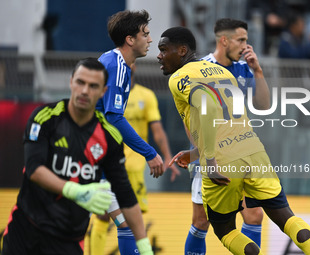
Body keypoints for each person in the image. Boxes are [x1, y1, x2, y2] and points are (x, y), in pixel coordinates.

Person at [157, 26, 310, 255]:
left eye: (163, 50)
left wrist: (209, 160)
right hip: (253, 151)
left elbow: (208, 109)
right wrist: (194, 154)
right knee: (286, 217)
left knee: (224, 230)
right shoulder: (222, 72)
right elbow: (229, 122)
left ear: (182, 50)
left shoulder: (179, 78)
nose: (159, 56)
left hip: (222, 161)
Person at [2, 58, 153, 255]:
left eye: (93, 86)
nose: (84, 91)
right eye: (80, 82)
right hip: (26, 232)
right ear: (71, 81)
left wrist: (144, 245)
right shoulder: (45, 118)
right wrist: (75, 191)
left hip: (68, 240)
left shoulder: (110, 136)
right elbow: (33, 169)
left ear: (103, 92)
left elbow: (124, 193)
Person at [178, 18, 270, 254]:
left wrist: (257, 70)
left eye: (246, 40)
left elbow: (263, 105)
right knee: (201, 222)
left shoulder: (243, 69)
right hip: (211, 157)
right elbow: (189, 117)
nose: (245, 46)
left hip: (241, 154)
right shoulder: (200, 69)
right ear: (224, 40)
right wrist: (203, 154)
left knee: (254, 214)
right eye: (241, 40)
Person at [89, 64, 180, 255]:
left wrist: (167, 155)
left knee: (132, 221)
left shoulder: (145, 96)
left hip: (135, 167)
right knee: (103, 215)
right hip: (109, 165)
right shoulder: (107, 94)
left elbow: (157, 131)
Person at [94, 10, 164, 255]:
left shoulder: (113, 61)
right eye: (145, 34)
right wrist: (150, 152)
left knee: (124, 222)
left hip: (97, 152)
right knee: (125, 222)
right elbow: (113, 117)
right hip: (91, 154)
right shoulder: (118, 66)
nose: (150, 40)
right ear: (130, 39)